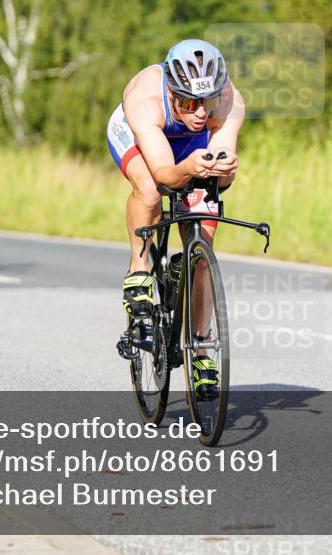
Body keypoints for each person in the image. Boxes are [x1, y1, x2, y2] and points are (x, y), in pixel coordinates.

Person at [106, 39, 245, 399]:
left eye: (208, 102)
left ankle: (201, 349)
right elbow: (166, 172)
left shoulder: (230, 100)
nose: (200, 112)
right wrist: (186, 169)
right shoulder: (145, 97)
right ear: (171, 91)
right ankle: (139, 269)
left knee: (203, 240)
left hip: (190, 145)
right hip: (143, 139)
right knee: (151, 190)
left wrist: (222, 169)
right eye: (188, 102)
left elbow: (223, 172)